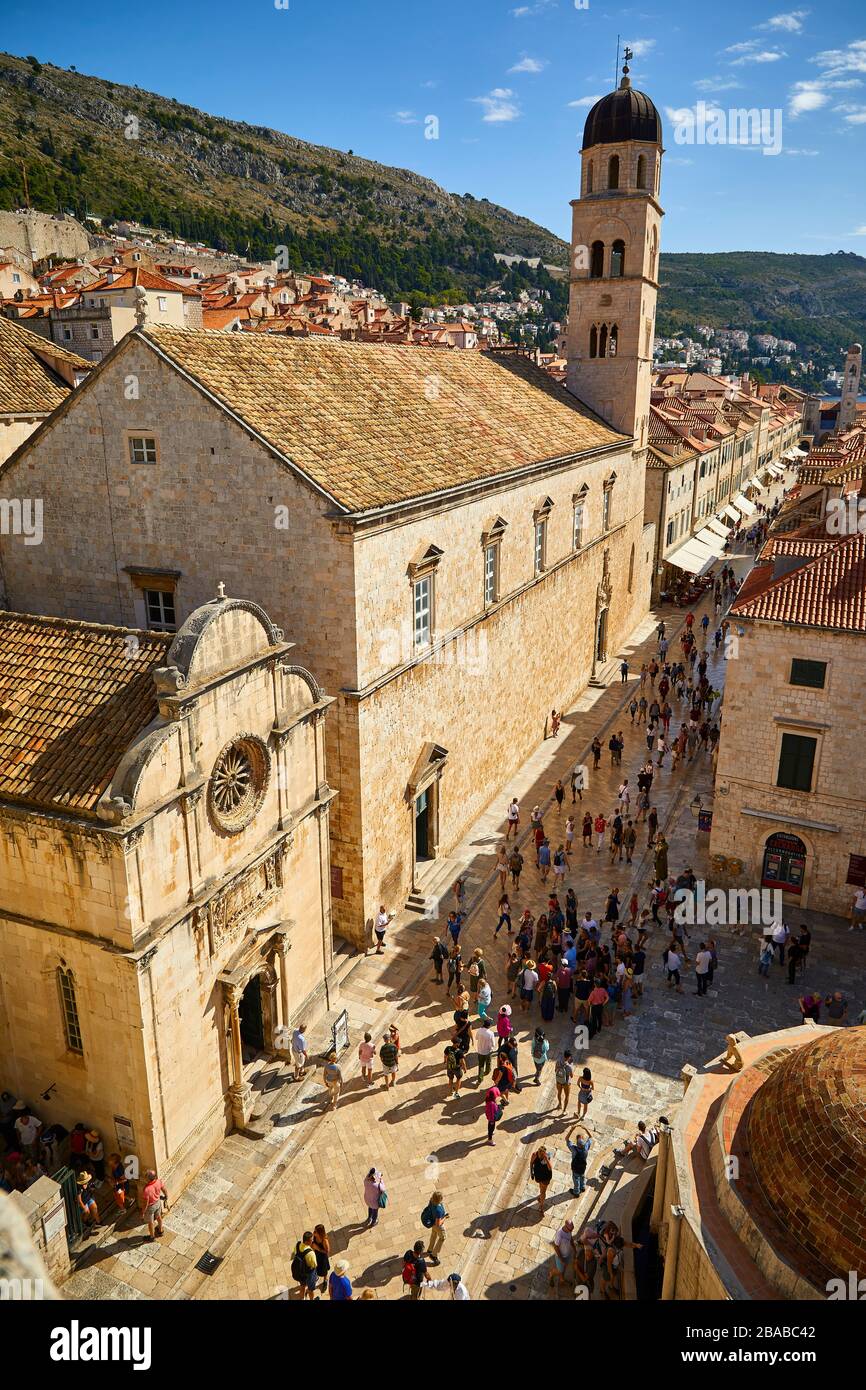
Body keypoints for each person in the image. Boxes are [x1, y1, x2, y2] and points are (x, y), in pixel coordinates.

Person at [140, 1168, 168, 1241]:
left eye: (146, 1177)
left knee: (150, 1222)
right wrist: (166, 1197)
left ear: (148, 1179)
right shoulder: (159, 1181)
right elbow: (164, 1189)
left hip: (150, 1207)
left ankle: (152, 1237)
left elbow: (145, 1203)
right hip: (158, 1203)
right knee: (159, 1216)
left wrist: (143, 1212)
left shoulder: (146, 1189)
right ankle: (160, 1230)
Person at [422, 1190, 448, 1264]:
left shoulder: (431, 1201)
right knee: (443, 1237)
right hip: (437, 1225)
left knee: (434, 1235)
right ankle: (434, 1255)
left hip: (432, 1222)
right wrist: (445, 1217)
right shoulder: (438, 1210)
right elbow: (438, 1223)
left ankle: (430, 1249)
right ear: (439, 1199)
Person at [292, 1232, 319, 1300]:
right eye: (311, 1240)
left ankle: (302, 1298)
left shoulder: (297, 1245)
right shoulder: (310, 1253)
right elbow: (314, 1265)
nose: (312, 1241)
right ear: (307, 1241)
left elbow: (295, 1253)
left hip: (300, 1272)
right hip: (308, 1274)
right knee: (310, 1289)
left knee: (302, 1286)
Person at [567, 1123, 592, 1196]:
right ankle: (583, 1187)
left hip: (575, 1168)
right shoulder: (586, 1148)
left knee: (576, 1179)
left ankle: (576, 1192)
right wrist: (585, 1129)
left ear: (577, 1143)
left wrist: (571, 1130)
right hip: (583, 1167)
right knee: (582, 1176)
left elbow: (567, 1139)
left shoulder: (574, 1149)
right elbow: (590, 1137)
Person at [551, 1219, 575, 1290]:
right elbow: (556, 1247)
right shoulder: (559, 1234)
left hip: (567, 1254)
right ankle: (551, 1274)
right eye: (570, 1230)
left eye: (572, 1229)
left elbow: (571, 1238)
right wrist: (561, 1258)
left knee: (564, 1268)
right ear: (566, 1226)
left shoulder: (569, 1230)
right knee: (559, 1270)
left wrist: (574, 1248)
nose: (571, 1231)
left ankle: (562, 1279)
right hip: (560, 1256)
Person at [474, 1015, 497, 1085]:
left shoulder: (480, 1030)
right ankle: (487, 1071)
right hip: (488, 1051)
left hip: (480, 1050)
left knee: (481, 1065)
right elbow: (493, 1043)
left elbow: (476, 1038)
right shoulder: (491, 1033)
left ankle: (480, 1078)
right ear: (489, 1026)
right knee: (488, 1062)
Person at [76, 1170, 100, 1235]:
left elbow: (92, 1189)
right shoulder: (79, 1188)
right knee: (87, 1212)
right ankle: (85, 1221)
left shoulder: (89, 1183)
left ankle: (98, 1222)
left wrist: (92, 1189)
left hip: (89, 1198)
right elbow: (79, 1199)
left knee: (95, 1207)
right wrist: (84, 1207)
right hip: (83, 1201)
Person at [529, 1145, 553, 1211]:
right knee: (540, 1187)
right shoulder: (534, 1155)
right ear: (538, 1152)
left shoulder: (547, 1156)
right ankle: (540, 1197)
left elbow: (550, 1168)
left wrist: (546, 1159)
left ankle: (541, 1205)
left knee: (543, 1192)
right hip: (538, 1175)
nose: (541, 1156)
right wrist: (531, 1172)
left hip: (546, 1177)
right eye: (540, 1154)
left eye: (543, 1154)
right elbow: (531, 1163)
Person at [312, 1225, 331, 1292]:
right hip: (316, 1255)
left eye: (315, 1231)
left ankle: (325, 1280)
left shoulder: (324, 1240)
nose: (314, 1232)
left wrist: (318, 1249)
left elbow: (327, 1251)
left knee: (324, 1270)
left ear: (319, 1232)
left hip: (322, 1257)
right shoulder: (315, 1235)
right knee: (316, 1267)